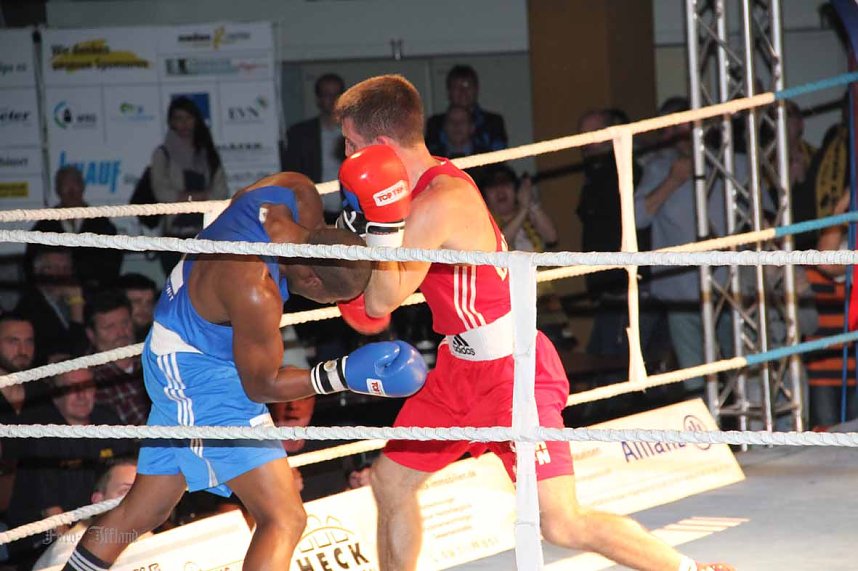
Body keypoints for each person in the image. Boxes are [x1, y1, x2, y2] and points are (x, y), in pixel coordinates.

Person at [333, 74, 733, 571]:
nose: (345, 158)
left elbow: (382, 300)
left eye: (351, 145)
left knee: (562, 523)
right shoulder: (413, 190)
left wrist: (373, 232)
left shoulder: (440, 202)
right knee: (391, 481)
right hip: (457, 369)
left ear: (382, 146)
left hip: (511, 373)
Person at [60, 172, 427, 571]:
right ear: (310, 276)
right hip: (197, 371)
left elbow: (243, 201)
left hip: (184, 340)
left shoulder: (295, 191)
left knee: (147, 508)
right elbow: (260, 385)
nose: (323, 305)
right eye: (328, 298)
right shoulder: (256, 291)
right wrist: (341, 375)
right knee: (284, 517)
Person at [150, 96, 230, 276]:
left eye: (188, 118)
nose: (184, 124)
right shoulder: (162, 154)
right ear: (171, 122)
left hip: (206, 234)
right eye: (178, 119)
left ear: (196, 120)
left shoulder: (208, 152)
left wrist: (187, 198)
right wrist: (199, 198)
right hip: (174, 235)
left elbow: (221, 191)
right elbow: (162, 192)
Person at [32, 457, 140, 570]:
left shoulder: (145, 533)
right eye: (125, 491)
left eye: (140, 491)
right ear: (99, 500)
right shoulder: (71, 551)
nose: (138, 498)